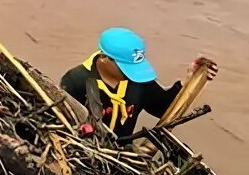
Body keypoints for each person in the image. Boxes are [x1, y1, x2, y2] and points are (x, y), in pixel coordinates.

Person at [60, 28, 218, 138]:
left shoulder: (138, 81)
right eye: (125, 67)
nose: (130, 73)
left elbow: (163, 109)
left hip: (121, 154)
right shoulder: (75, 81)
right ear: (104, 58)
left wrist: (189, 81)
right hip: (85, 149)